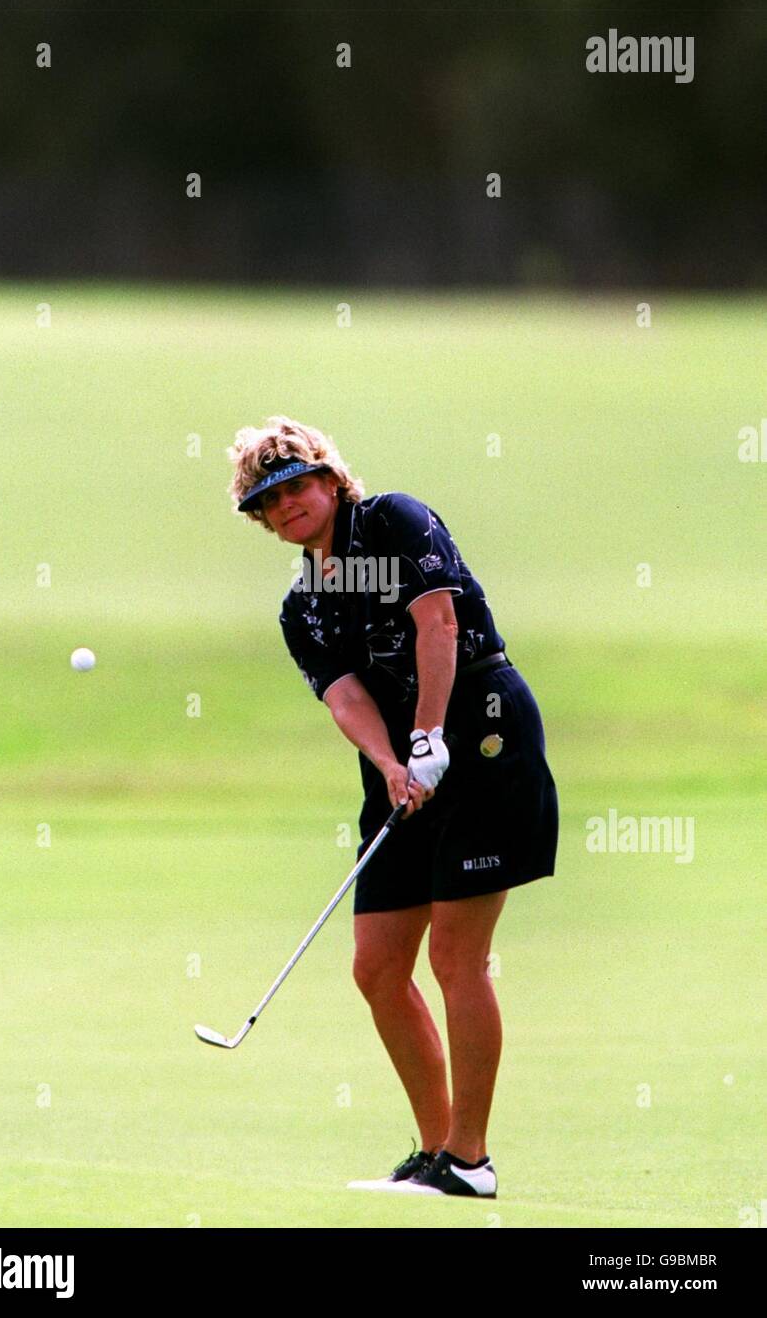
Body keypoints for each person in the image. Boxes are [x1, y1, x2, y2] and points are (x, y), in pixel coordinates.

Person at [226, 415, 558, 1199]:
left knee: (455, 956)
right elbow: (344, 695)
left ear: (332, 480)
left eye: (299, 485)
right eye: (269, 502)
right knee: (377, 967)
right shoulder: (301, 607)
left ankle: (470, 1163)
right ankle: (439, 1149)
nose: (288, 505)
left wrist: (431, 737)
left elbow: (437, 623)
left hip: (481, 733)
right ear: (263, 520)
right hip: (403, 769)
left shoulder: (393, 521)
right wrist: (391, 763)